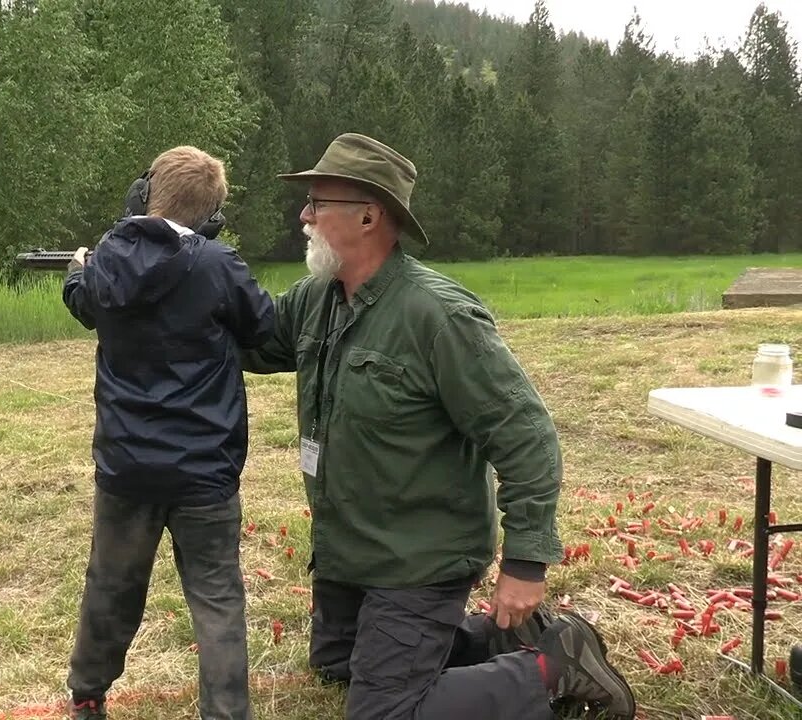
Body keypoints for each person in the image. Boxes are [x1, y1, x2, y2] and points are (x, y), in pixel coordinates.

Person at [238, 132, 636, 720]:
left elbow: (526, 438)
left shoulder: (439, 317)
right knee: (337, 667)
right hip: (352, 554)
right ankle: (506, 641)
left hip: (418, 561)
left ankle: (557, 669)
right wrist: (178, 282)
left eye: (317, 203)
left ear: (370, 215)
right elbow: (254, 340)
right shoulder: (318, 297)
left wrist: (526, 563)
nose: (304, 216)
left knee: (382, 713)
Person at [61, 146, 277, 720]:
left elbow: (85, 304)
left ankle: (87, 696)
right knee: (218, 603)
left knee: (111, 586)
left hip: (127, 465)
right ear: (210, 213)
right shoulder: (217, 263)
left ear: (144, 193)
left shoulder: (106, 258)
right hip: (205, 469)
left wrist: (76, 270)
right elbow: (263, 324)